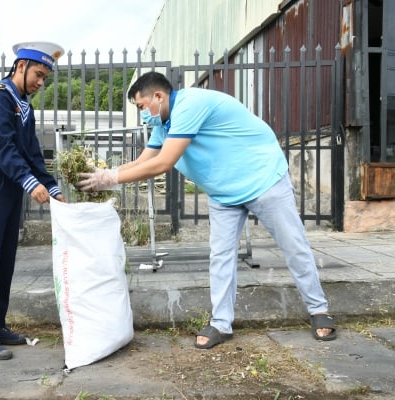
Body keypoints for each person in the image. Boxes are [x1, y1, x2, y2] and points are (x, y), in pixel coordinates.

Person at [76, 71, 337, 349]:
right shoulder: (163, 124)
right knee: (221, 257)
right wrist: (102, 174)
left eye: (141, 107)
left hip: (263, 179)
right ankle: (221, 324)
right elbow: (143, 161)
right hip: (224, 192)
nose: (142, 115)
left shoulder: (190, 105)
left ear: (158, 97)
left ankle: (319, 310)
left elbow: (164, 163)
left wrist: (110, 179)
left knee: (293, 245)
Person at [0, 41, 66, 360]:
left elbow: (30, 151)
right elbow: (1, 146)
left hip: (6, 184)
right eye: (37, 74)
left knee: (4, 259)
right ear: (20, 67)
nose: (40, 82)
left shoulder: (23, 105)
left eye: (45, 77)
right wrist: (29, 182)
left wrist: (51, 185)